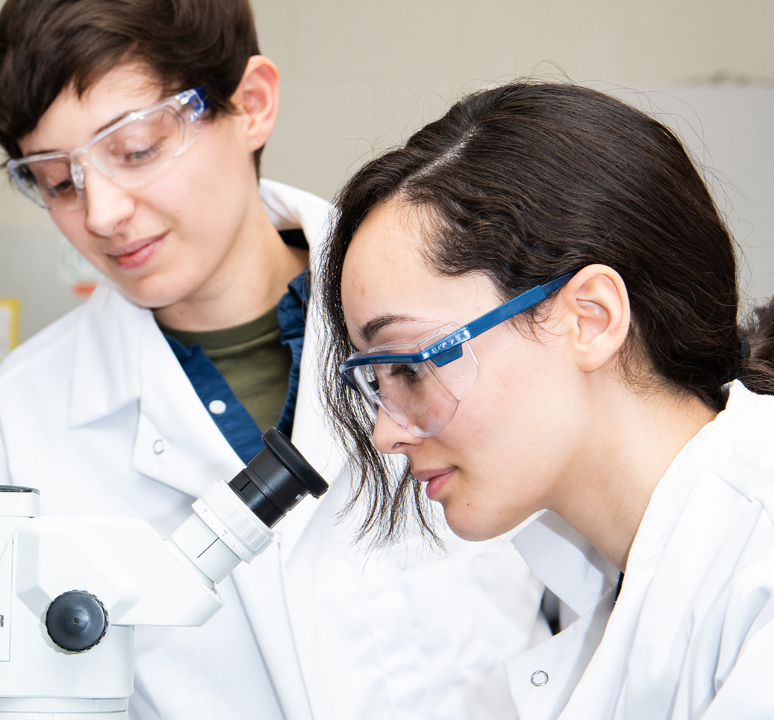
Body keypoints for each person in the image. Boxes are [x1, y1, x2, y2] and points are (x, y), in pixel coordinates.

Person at [0, 1, 548, 718]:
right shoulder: (26, 414)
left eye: (134, 147)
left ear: (252, 104)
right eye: (57, 180)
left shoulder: (469, 314)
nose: (101, 213)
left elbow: (600, 613)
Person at [316, 80, 774, 718]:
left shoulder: (759, 561)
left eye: (412, 366)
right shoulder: (615, 577)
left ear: (590, 318)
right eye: (376, 379)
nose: (385, 434)